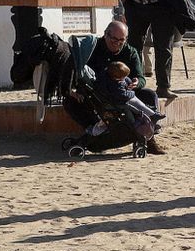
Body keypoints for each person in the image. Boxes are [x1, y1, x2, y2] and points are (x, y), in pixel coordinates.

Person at [68, 22, 166, 154]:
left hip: (124, 93)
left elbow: (141, 77)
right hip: (98, 96)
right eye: (114, 39)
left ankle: (149, 137)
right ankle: (92, 133)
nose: (117, 43)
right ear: (105, 34)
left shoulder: (130, 52)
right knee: (70, 102)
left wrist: (137, 82)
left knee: (149, 95)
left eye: (121, 40)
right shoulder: (93, 49)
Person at [92, 62, 165, 139]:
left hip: (124, 97)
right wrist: (132, 93)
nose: (125, 78)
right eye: (123, 77)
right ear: (116, 78)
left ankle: (152, 114)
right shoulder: (115, 85)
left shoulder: (118, 78)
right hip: (119, 101)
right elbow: (123, 95)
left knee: (141, 102)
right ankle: (152, 114)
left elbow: (126, 80)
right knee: (137, 104)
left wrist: (132, 82)